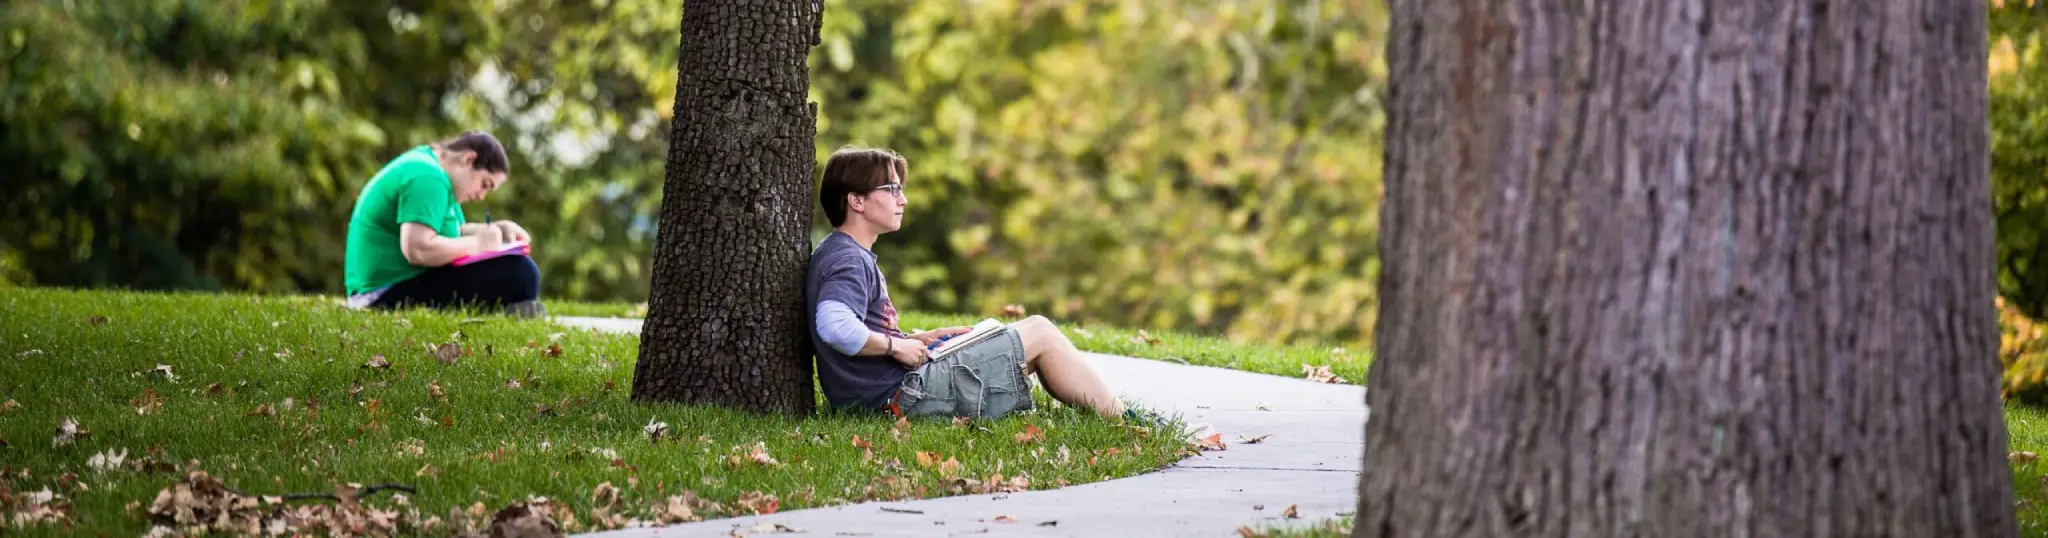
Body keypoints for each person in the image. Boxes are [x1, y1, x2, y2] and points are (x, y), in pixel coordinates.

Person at [805, 147, 1135, 420]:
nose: (902, 200)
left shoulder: (844, 252)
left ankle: (1114, 414)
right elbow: (834, 326)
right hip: (895, 401)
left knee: (1028, 338)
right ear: (856, 201)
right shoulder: (847, 259)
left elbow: (855, 327)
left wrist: (916, 339)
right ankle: (1125, 420)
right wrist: (897, 347)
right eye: (891, 190)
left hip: (891, 394)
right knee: (1042, 334)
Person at [342, 131, 546, 317]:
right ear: (469, 159)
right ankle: (521, 316)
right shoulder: (427, 177)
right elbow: (417, 249)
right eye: (485, 184)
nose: (481, 196)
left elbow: (452, 232)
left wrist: (499, 229)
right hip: (381, 295)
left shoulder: (435, 171)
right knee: (520, 272)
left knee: (520, 270)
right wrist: (478, 244)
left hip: (391, 286)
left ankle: (519, 314)